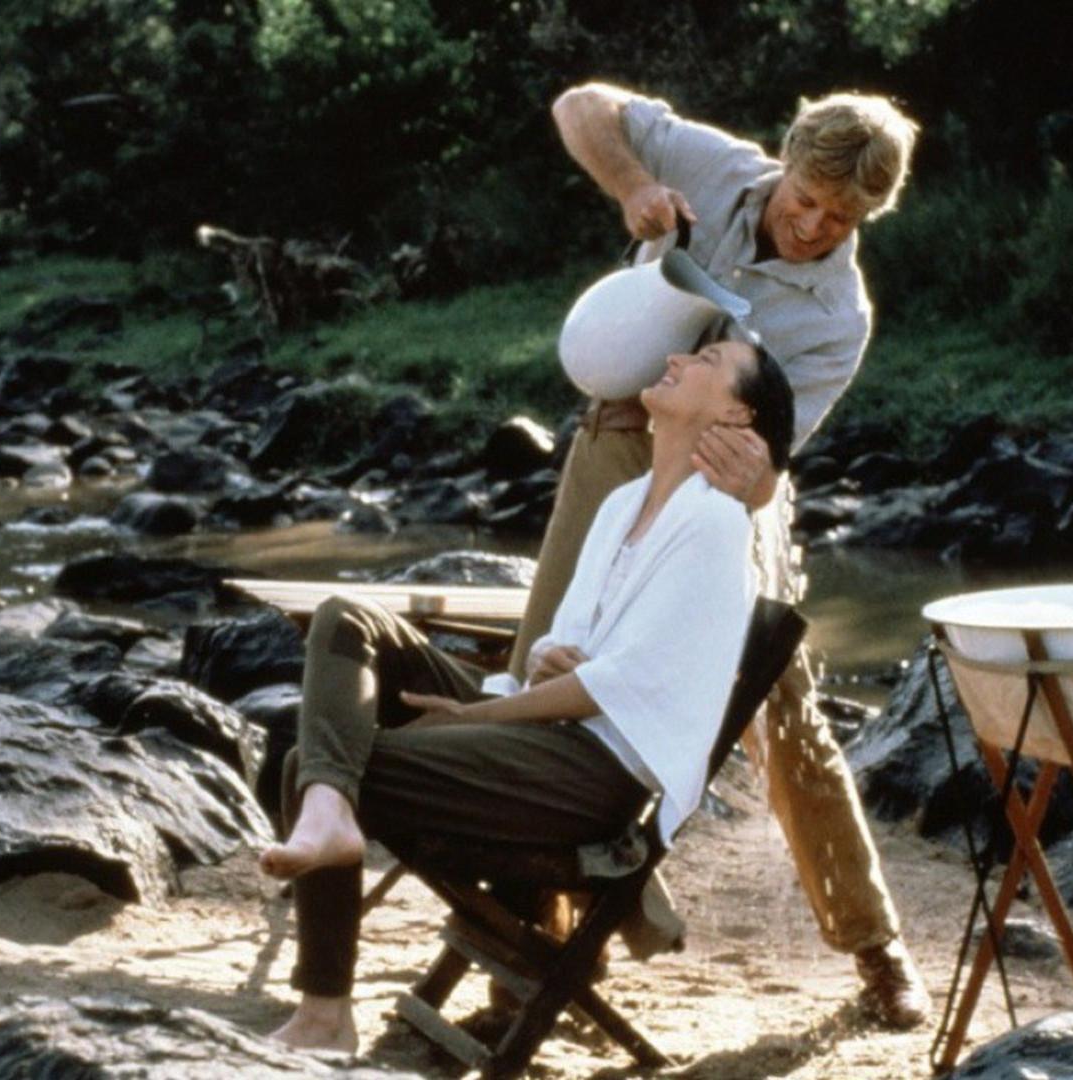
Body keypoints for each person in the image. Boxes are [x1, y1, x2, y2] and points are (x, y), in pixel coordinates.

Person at [511, 82, 931, 1027]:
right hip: (616, 437)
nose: (812, 227)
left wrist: (750, 485)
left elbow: (768, 467)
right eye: (805, 200)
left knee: (779, 707)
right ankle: (538, 953)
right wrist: (632, 185)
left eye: (840, 219)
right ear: (785, 160)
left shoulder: (838, 317)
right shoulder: (711, 164)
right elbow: (580, 106)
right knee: (546, 666)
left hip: (728, 491)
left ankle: (875, 947)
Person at [259, 336, 795, 1053]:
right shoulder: (624, 502)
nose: (676, 359)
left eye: (706, 360)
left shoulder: (715, 524)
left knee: (313, 763)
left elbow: (618, 687)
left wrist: (481, 713)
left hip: (593, 775)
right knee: (346, 620)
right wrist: (540, 660)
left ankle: (325, 1015)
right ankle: (329, 813)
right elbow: (560, 647)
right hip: (542, 725)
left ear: (735, 414)